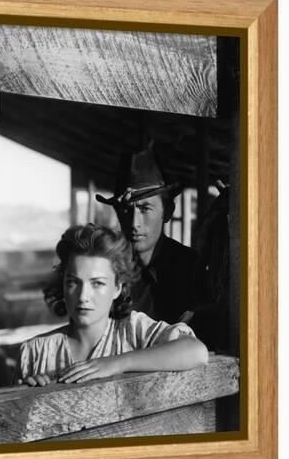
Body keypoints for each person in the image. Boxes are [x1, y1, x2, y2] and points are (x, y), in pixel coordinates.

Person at [16, 224, 208, 386]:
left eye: (97, 283)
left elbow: (196, 351)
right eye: (73, 282)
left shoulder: (133, 330)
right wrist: (29, 390)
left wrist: (115, 364)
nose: (83, 296)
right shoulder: (35, 352)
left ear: (117, 287)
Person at [96, 146, 199, 326]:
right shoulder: (107, 269)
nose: (134, 223)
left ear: (167, 212)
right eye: (126, 210)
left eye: (145, 209)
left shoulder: (191, 267)